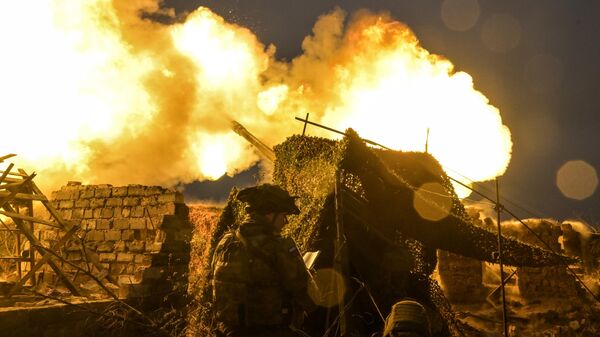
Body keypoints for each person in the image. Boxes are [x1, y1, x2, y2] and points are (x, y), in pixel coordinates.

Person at [211, 184, 318, 337]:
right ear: (269, 214)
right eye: (283, 215)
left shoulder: (225, 242)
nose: (286, 221)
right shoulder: (277, 246)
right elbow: (310, 299)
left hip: (226, 332)